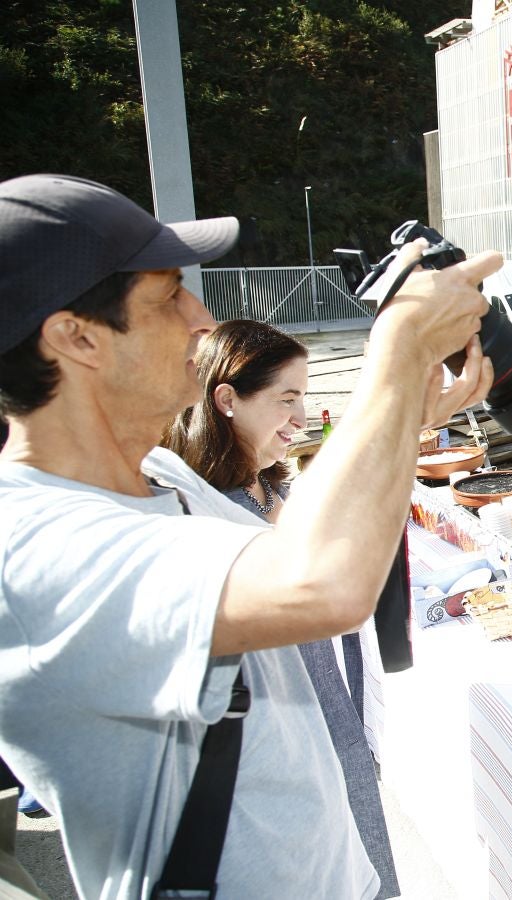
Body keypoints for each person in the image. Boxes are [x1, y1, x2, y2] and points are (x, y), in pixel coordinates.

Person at [0, 173, 495, 899]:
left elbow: (292, 542)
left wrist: (402, 419)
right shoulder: (35, 550)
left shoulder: (161, 471)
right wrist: (396, 347)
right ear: (76, 338)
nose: (202, 319)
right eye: (169, 295)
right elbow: (320, 582)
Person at [164, 319, 400, 899]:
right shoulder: (209, 513)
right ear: (226, 401)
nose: (301, 416)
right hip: (280, 754)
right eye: (285, 399)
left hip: (329, 718)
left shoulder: (272, 487)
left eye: (305, 396)